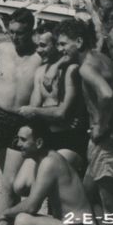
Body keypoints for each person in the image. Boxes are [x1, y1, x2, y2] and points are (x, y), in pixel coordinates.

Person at [55, 19, 113, 225]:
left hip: (108, 144)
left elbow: (106, 94)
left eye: (63, 44)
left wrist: (100, 126)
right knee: (89, 195)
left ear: (78, 41)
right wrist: (56, 66)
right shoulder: (99, 58)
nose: (59, 49)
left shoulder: (85, 69)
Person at [0, 7, 43, 225]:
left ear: (31, 31)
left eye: (21, 33)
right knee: (7, 177)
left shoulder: (40, 57)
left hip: (21, 122)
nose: (15, 37)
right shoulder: (4, 49)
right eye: (12, 32)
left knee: (12, 181)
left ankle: (4, 223)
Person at [0, 122, 99, 225]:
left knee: (23, 221)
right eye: (18, 139)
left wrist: (5, 214)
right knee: (18, 221)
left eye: (23, 140)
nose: (18, 144)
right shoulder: (42, 161)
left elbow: (31, 206)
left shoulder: (49, 162)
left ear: (39, 143)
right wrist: (9, 216)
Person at [17, 24, 89, 173]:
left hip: (70, 139)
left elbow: (59, 112)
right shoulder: (40, 72)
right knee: (21, 185)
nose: (38, 50)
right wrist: (56, 116)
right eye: (36, 45)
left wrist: (38, 111)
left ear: (56, 46)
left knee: (50, 178)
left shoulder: (72, 69)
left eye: (43, 45)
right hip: (47, 136)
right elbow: (32, 112)